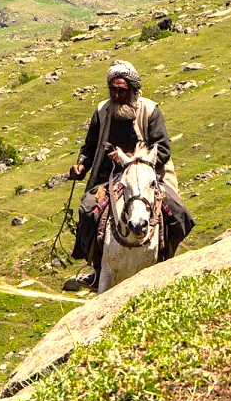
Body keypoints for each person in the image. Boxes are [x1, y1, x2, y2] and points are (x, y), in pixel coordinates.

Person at [66, 60, 194, 288]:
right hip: (109, 178)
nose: (116, 95)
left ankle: (165, 259)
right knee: (87, 210)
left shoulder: (150, 110)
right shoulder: (102, 111)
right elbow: (90, 147)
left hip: (146, 174)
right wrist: (81, 167)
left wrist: (132, 160)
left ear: (133, 90)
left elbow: (162, 148)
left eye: (121, 90)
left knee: (178, 213)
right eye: (112, 90)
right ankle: (95, 268)